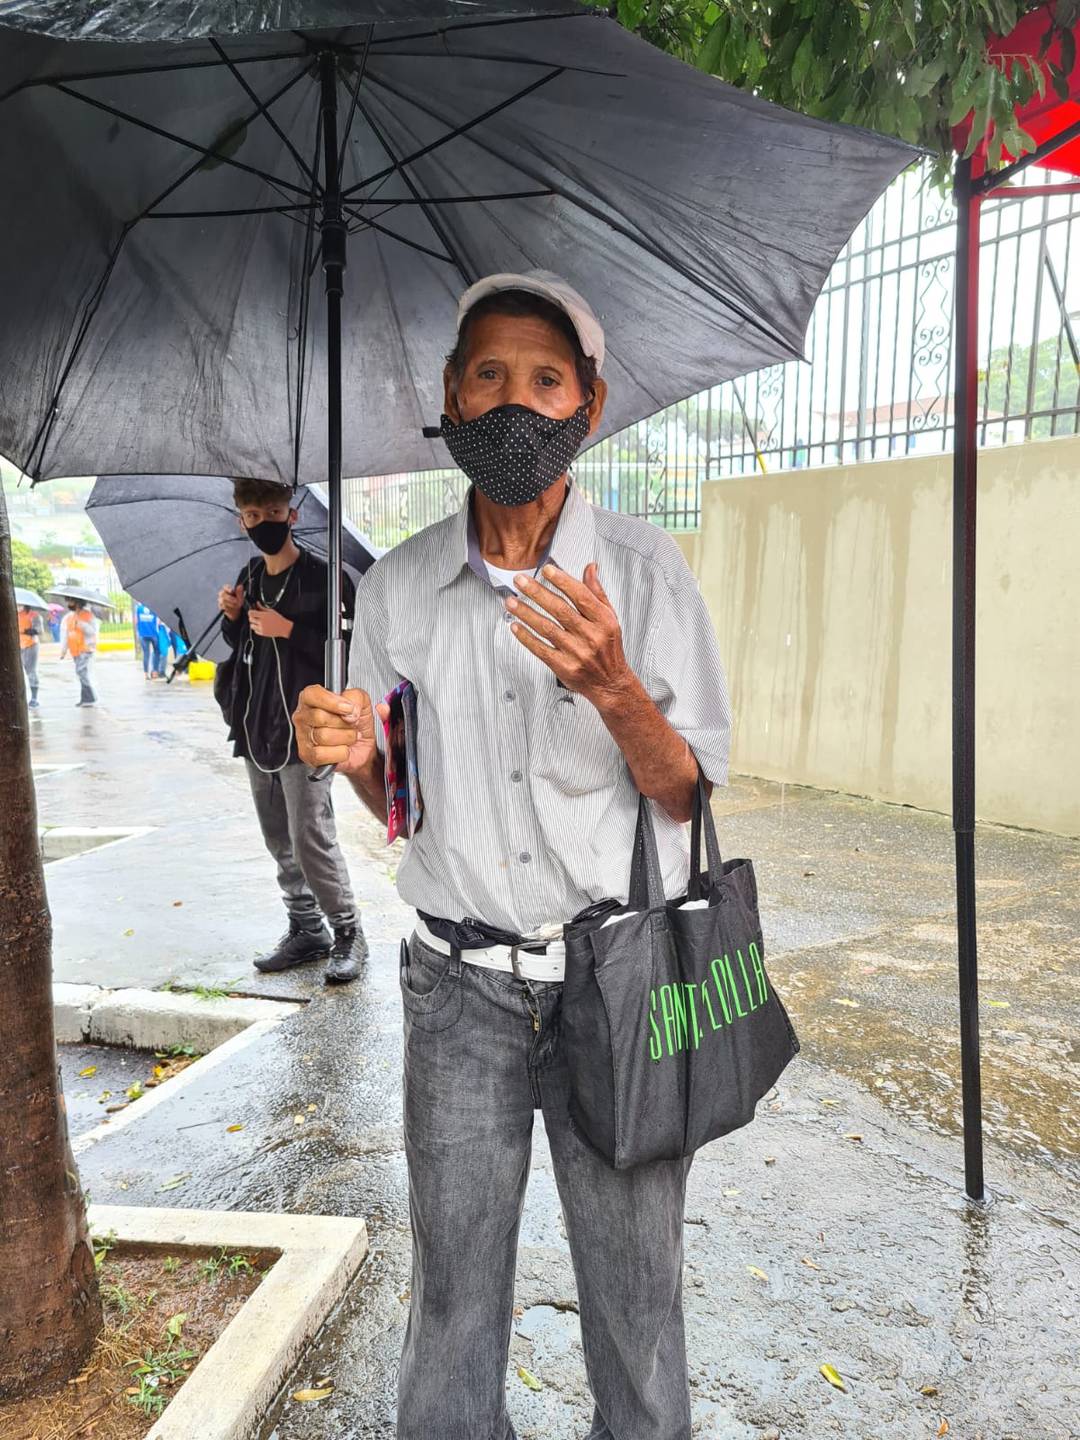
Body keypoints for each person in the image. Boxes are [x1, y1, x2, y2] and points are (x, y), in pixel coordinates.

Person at [294, 271, 731, 1439]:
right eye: (487, 375)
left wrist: (616, 689)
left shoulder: (642, 576)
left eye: (544, 381)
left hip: (618, 986)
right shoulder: (396, 589)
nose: (512, 405)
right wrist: (349, 754)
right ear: (449, 395)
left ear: (587, 408)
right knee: (452, 1301)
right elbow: (408, 808)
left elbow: (687, 792)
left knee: (638, 1310)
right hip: (458, 995)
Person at [216, 477, 366, 985]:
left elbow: (346, 653)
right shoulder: (250, 575)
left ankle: (347, 931)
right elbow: (243, 649)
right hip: (258, 725)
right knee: (277, 835)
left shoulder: (326, 579)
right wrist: (233, 619)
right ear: (242, 520)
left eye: (272, 511)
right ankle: (306, 928)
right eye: (253, 516)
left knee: (310, 836)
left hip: (309, 731)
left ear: (292, 515)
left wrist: (291, 630)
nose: (263, 523)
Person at [59, 597, 99, 707]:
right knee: (81, 673)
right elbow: (67, 634)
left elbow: (92, 632)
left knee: (81, 671)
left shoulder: (88, 616)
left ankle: (89, 697)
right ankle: (86, 698)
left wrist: (82, 624)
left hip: (86, 648)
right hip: (75, 650)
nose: (69, 604)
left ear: (77, 603)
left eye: (71, 601)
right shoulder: (69, 617)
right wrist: (63, 650)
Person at [18, 605, 43, 709]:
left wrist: (25, 630)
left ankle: (34, 698)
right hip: (17, 645)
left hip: (31, 645)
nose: (18, 606)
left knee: (31, 671)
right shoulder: (12, 614)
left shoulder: (34, 615)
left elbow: (39, 630)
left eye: (20, 605)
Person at [134, 602, 163, 679]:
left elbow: (136, 621)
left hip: (143, 634)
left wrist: (139, 630)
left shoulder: (138, 608)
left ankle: (146, 674)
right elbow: (159, 621)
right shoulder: (154, 606)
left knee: (146, 654)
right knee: (157, 652)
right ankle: (154, 672)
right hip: (154, 633)